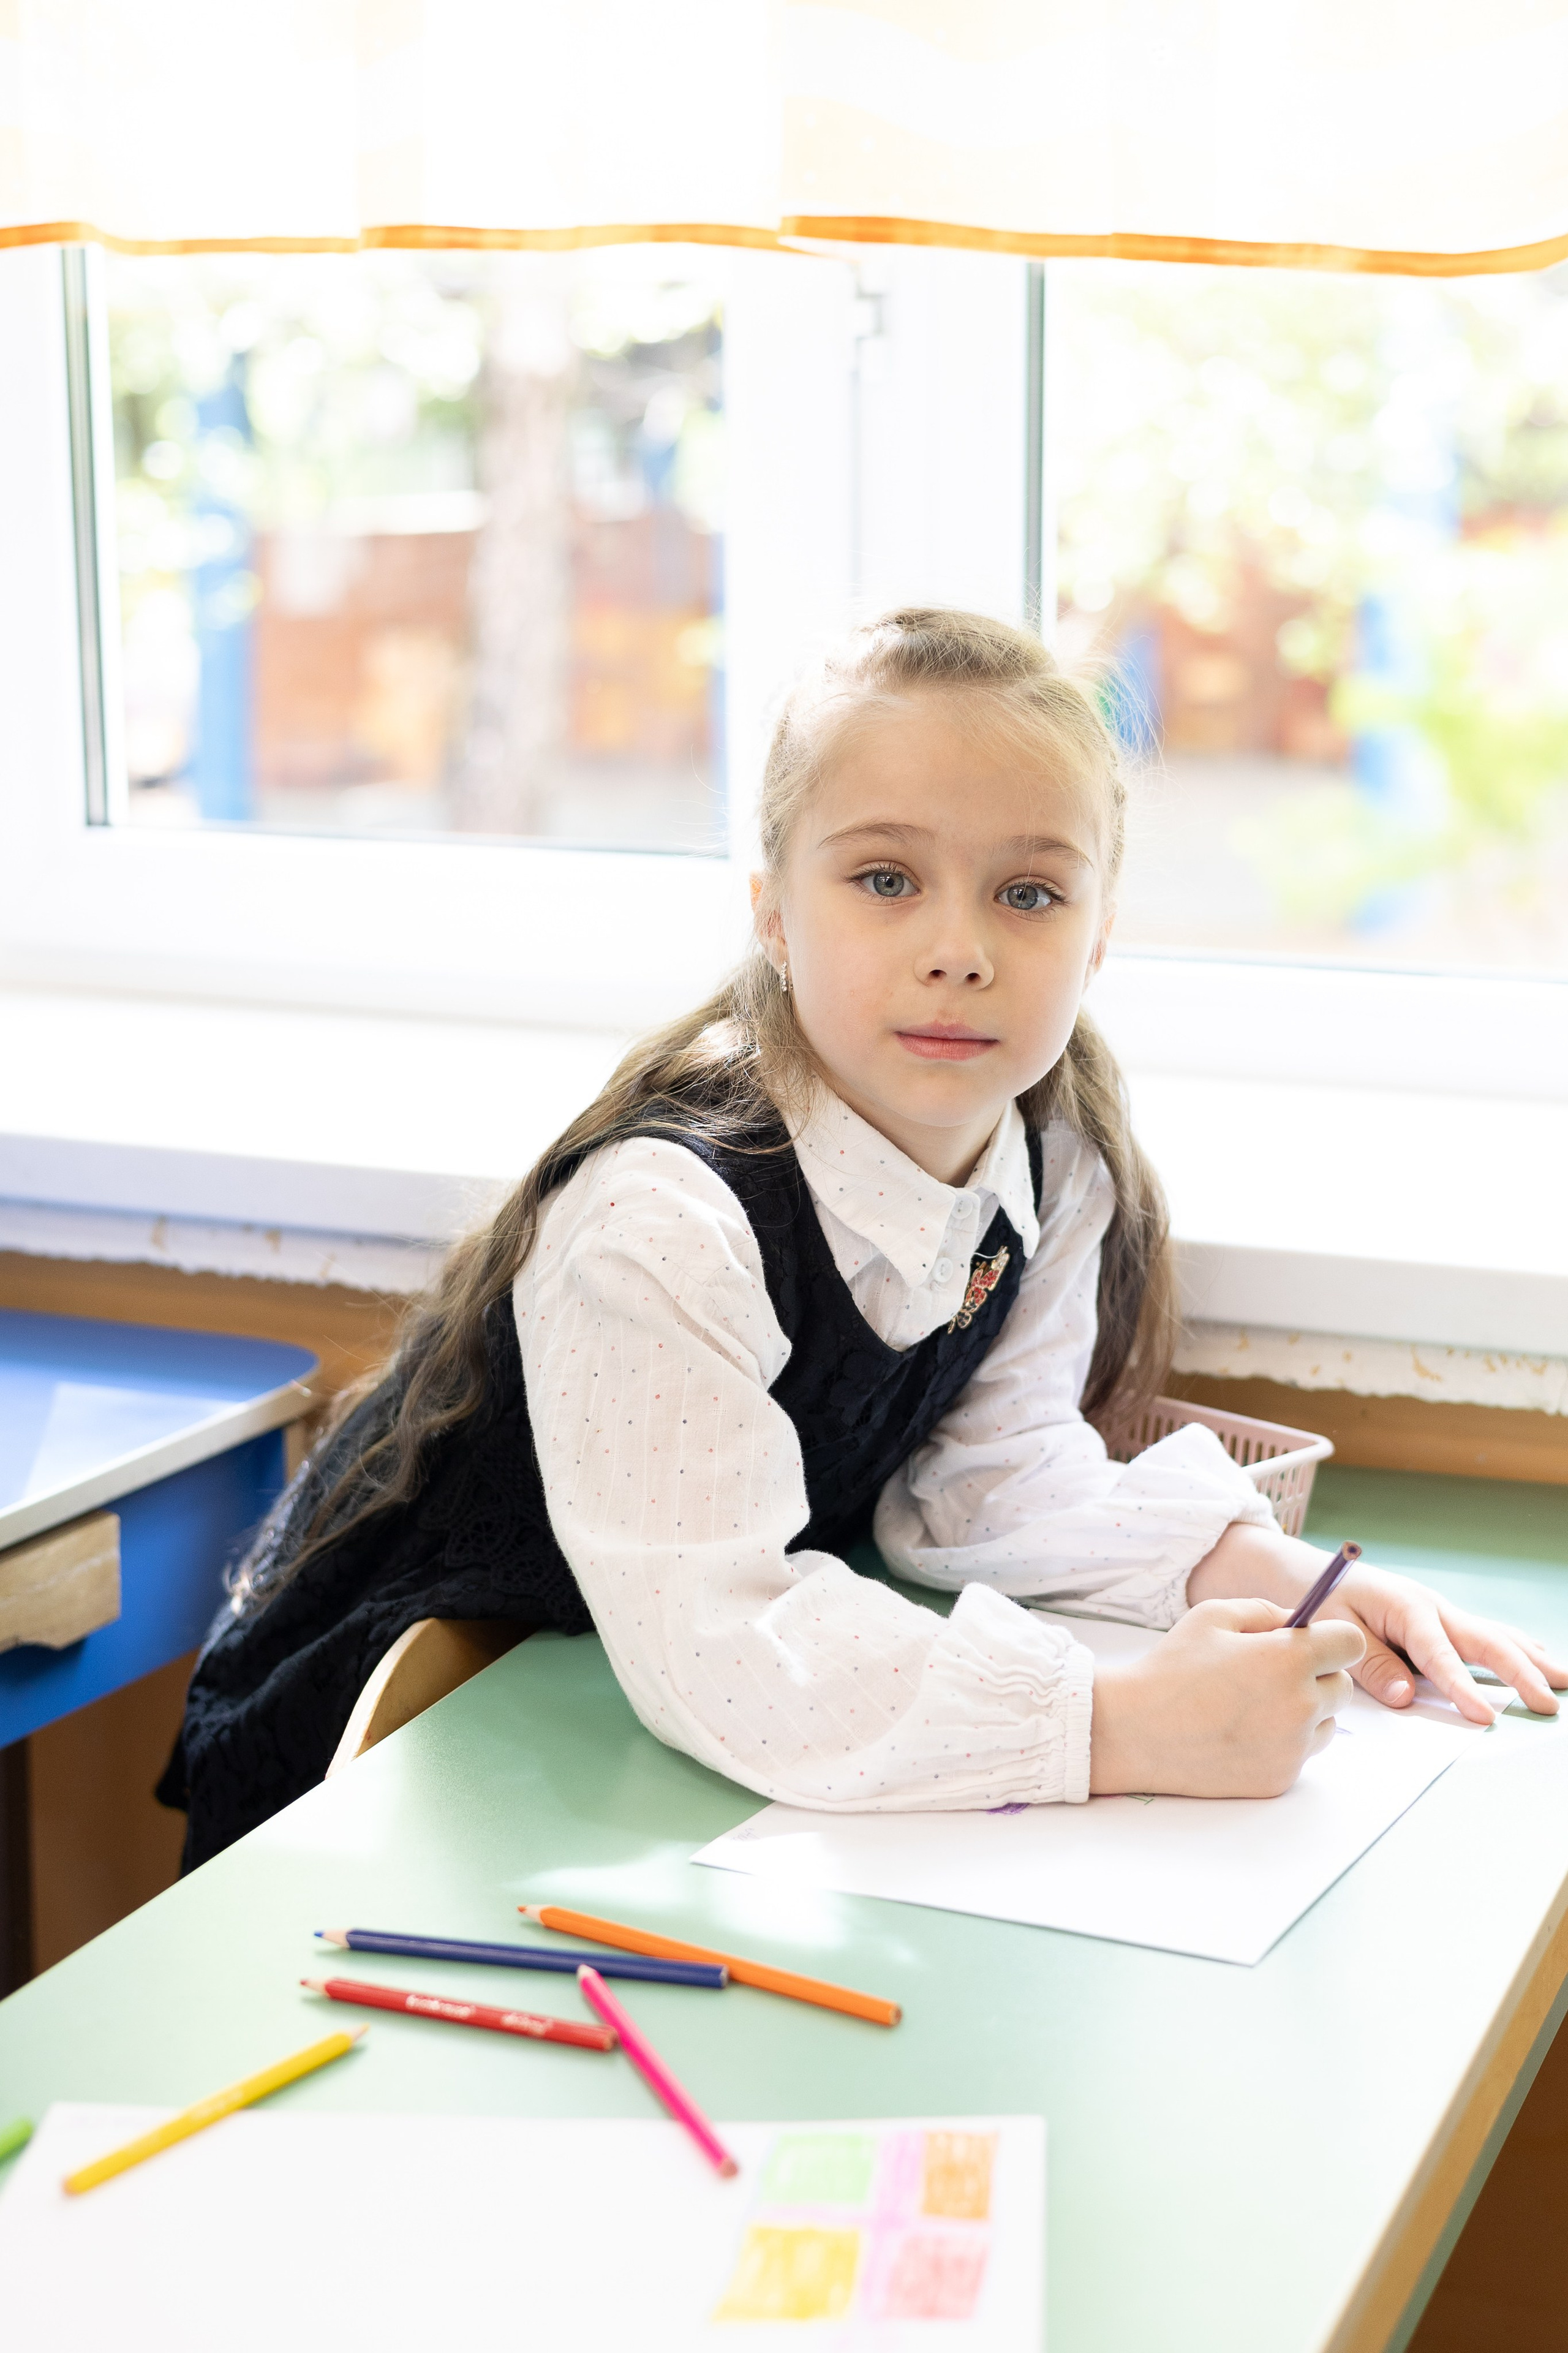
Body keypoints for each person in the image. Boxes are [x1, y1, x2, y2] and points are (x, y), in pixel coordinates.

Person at [159, 608, 1567, 1866]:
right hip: (379, 1761)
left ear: (1099, 933)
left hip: (592, 1714)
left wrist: (1302, 1581)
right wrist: (1126, 1724)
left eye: (1027, 892)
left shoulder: (1044, 1152)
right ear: (770, 910)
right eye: (884, 879)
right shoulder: (662, 1219)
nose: (958, 946)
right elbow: (723, 1639)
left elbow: (987, 1478)